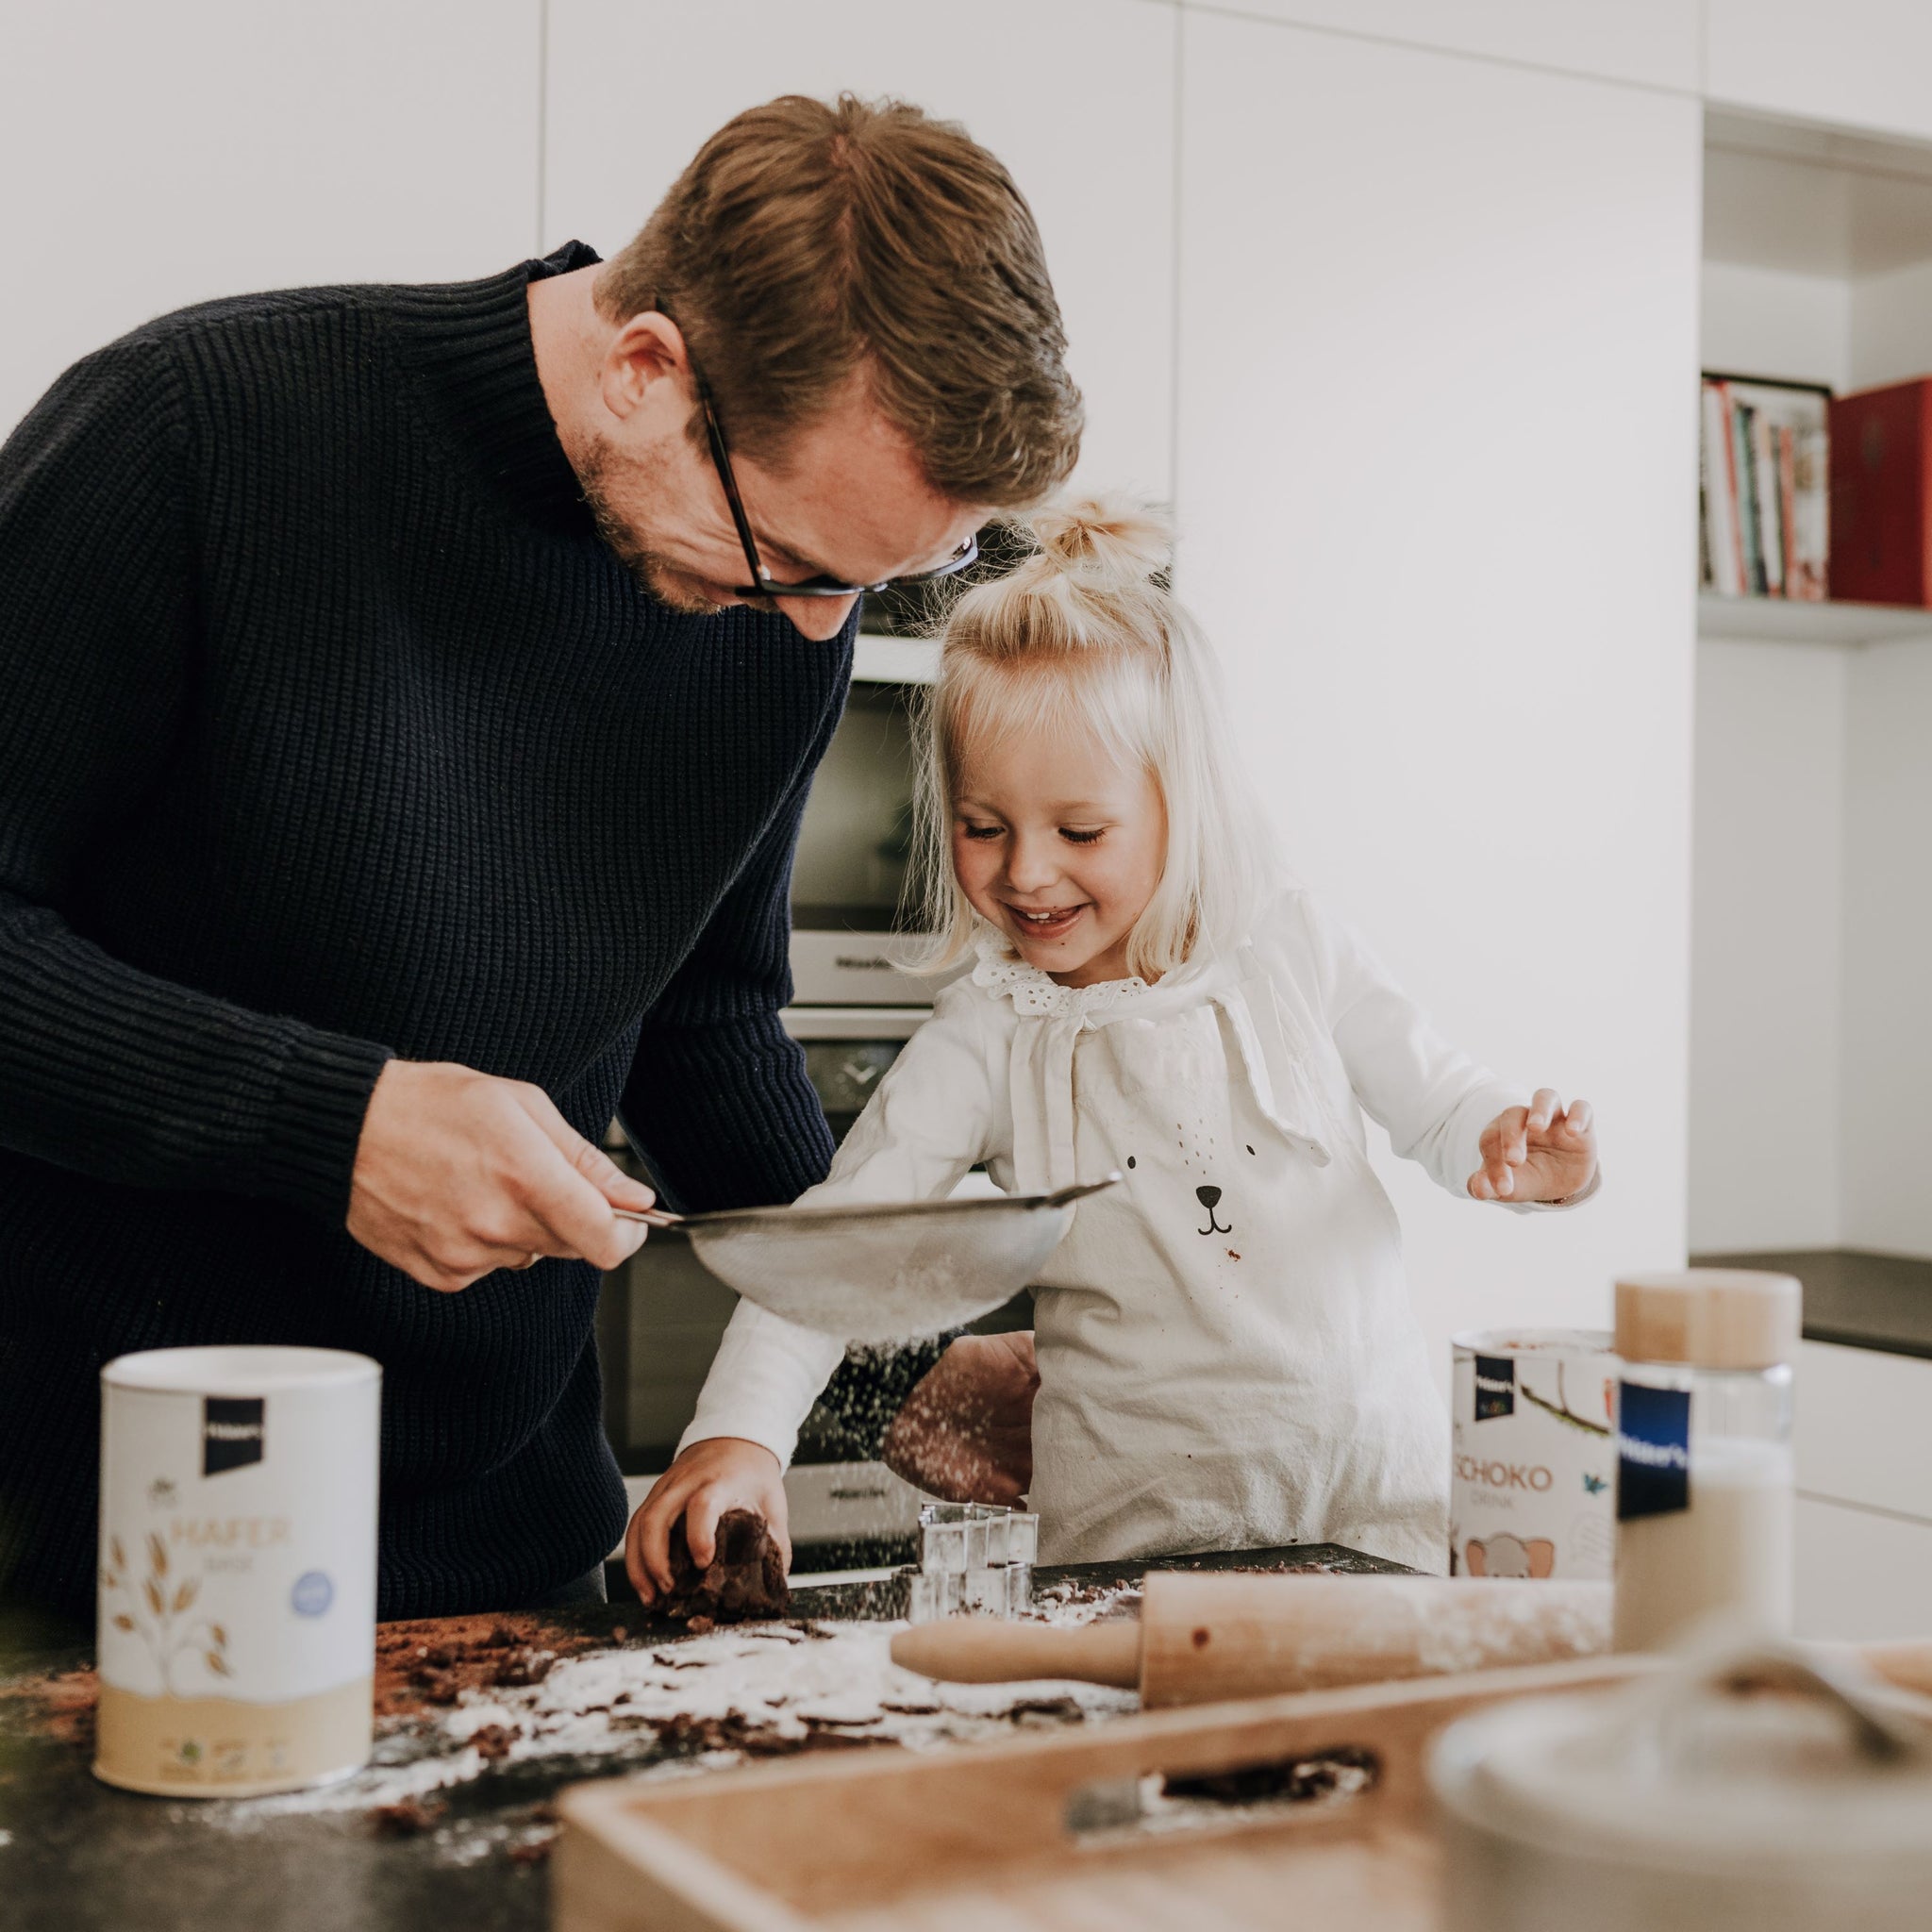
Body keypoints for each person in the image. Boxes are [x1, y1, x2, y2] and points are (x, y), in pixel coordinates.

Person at [0, 94, 1080, 1619]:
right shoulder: (195, 434)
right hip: (82, 1550)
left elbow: (702, 1024)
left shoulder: (776, 611)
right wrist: (340, 1126)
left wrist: (889, 1365)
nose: (823, 633)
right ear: (646, 367)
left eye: (900, 574)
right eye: (805, 565)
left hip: (504, 1554)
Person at [628, 498, 1600, 1590]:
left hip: (1375, 1512)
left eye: (1078, 831)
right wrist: (738, 1435)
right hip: (1128, 1556)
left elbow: (1440, 1104)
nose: (1025, 873)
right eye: (982, 826)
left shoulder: (1291, 948)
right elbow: (838, 1243)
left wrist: (1518, 1148)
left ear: (1183, 807)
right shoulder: (993, 1030)